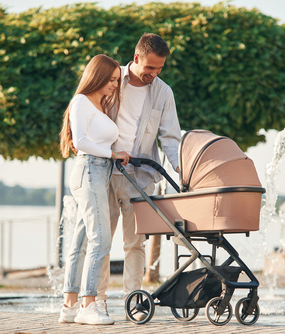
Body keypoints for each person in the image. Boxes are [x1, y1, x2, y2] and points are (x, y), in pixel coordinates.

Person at [95, 33, 182, 317]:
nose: (154, 74)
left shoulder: (163, 92)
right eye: (150, 68)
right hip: (104, 171)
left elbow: (170, 137)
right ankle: (97, 301)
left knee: (135, 243)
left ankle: (133, 302)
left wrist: (182, 169)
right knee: (102, 241)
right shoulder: (110, 79)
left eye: (160, 69)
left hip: (139, 177)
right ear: (136, 59)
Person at [58, 54, 131, 325]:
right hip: (89, 171)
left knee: (80, 242)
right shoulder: (80, 102)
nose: (115, 84)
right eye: (111, 80)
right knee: (101, 239)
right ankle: (89, 305)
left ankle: (69, 305)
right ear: (98, 77)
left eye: (116, 80)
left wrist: (111, 156)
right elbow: (81, 142)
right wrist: (112, 154)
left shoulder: (99, 105)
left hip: (98, 172)